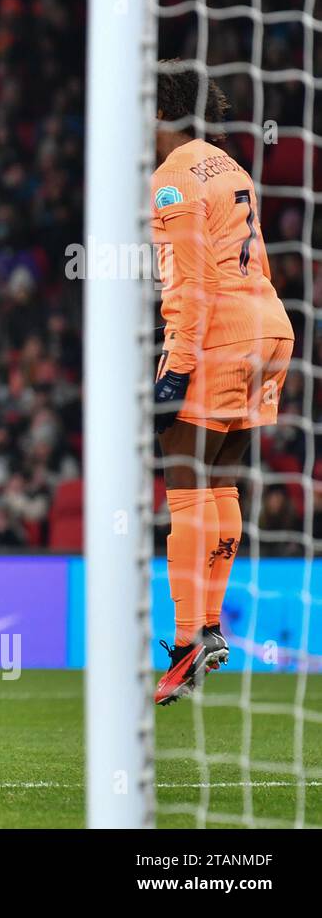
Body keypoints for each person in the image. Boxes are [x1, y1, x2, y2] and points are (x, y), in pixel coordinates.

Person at [150, 64, 295, 705]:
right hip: (270, 328)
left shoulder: (172, 178)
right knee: (222, 478)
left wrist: (175, 367)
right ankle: (209, 626)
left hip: (221, 335)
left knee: (181, 476)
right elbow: (255, 259)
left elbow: (190, 284)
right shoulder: (229, 167)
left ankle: (187, 639)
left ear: (160, 114)